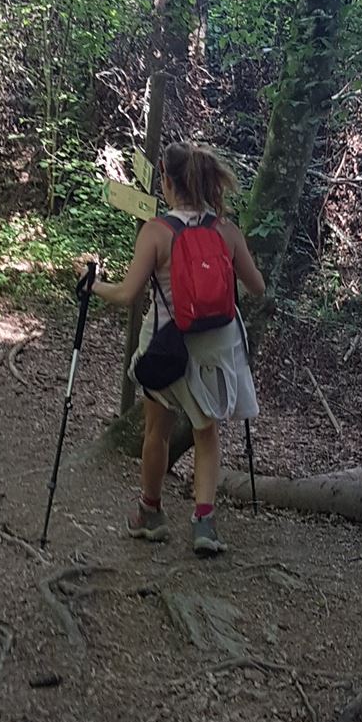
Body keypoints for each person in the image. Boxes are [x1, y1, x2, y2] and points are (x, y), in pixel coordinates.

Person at [91, 141, 265, 554]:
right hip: (216, 348)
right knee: (207, 435)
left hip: (167, 344)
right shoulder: (227, 231)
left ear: (166, 181)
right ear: (204, 180)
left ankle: (150, 513)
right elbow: (257, 288)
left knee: (158, 430)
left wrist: (92, 285)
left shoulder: (157, 232)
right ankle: (204, 524)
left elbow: (128, 294)